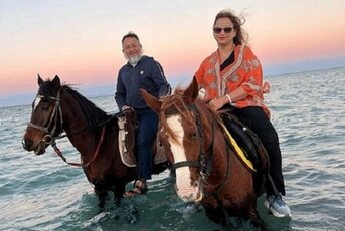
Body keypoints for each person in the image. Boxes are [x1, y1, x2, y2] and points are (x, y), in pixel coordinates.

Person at [194, 9, 291, 217]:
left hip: (245, 106)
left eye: (226, 29)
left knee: (270, 138)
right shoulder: (207, 62)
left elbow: (253, 82)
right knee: (195, 142)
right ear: (213, 32)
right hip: (216, 110)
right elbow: (197, 85)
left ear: (234, 31)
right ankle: (197, 193)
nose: (222, 33)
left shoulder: (246, 54)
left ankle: (275, 194)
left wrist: (225, 99)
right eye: (217, 29)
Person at [115, 32, 171, 197]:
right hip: (130, 113)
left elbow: (164, 85)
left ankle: (142, 180)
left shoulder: (151, 64)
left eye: (134, 45)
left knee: (143, 140)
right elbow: (119, 93)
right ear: (123, 50)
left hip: (150, 111)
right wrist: (123, 105)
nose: (131, 49)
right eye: (127, 47)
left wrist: (161, 99)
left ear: (140, 46)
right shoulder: (123, 71)